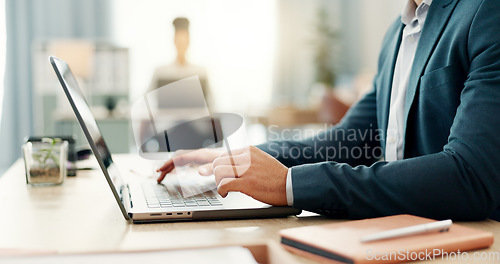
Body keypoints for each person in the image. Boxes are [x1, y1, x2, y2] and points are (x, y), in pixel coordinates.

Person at [157, 0, 500, 221]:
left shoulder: (486, 12)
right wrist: (234, 159)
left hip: (469, 241)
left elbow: (470, 175)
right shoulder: (397, 33)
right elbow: (349, 140)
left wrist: (291, 184)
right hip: (401, 227)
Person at [148, 17, 210, 103]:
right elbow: (145, 102)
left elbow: (211, 103)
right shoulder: (160, 72)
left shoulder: (201, 72)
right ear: (174, 41)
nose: (181, 45)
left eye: (183, 41)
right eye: (178, 41)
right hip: (166, 116)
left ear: (188, 41)